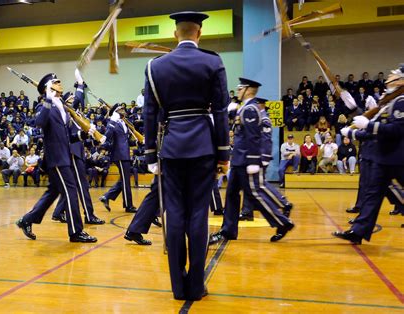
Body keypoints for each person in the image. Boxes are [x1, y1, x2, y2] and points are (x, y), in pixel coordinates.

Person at [143, 11, 229, 301]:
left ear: (175, 34)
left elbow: (149, 114)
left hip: (171, 147)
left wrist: (150, 155)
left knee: (175, 213)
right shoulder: (212, 61)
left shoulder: (156, 67)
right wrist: (223, 153)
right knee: (198, 215)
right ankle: (196, 285)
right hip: (204, 146)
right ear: (199, 33)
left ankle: (178, 287)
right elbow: (220, 111)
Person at [209, 81, 294, 246]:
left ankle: (283, 222)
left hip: (246, 161)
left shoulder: (250, 109)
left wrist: (254, 161)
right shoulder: (245, 108)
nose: (238, 90)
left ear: (248, 90)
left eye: (241, 88)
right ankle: (228, 231)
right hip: (239, 161)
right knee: (232, 196)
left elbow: (253, 137)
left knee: (255, 195)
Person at [16, 72, 96, 243]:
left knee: (53, 192)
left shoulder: (60, 106)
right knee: (71, 191)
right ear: (49, 87)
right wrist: (47, 99)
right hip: (57, 158)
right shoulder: (45, 106)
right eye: (56, 82)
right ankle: (76, 232)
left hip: (64, 155)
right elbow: (39, 122)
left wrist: (83, 135)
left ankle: (26, 220)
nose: (60, 84)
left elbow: (67, 136)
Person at [333, 64, 404, 244]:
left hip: (395, 157)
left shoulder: (401, 101)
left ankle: (358, 230)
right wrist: (355, 132)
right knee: (373, 194)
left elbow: (397, 130)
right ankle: (358, 231)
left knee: (391, 192)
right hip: (383, 156)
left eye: (392, 75)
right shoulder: (389, 100)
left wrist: (367, 126)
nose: (388, 78)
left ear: (401, 80)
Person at [51, 76, 105, 225]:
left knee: (73, 185)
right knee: (82, 185)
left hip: (78, 151)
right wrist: (80, 86)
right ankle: (89, 215)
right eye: (71, 99)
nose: (75, 101)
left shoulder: (77, 114)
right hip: (73, 152)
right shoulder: (66, 113)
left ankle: (57, 213)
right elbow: (76, 101)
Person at [99, 104, 137, 213]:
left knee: (124, 179)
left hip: (125, 153)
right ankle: (128, 205)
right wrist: (112, 121)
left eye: (123, 109)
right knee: (125, 180)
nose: (123, 110)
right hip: (119, 154)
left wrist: (136, 142)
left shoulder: (124, 122)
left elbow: (125, 139)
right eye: (120, 109)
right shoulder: (113, 122)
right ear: (116, 111)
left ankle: (106, 196)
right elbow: (108, 136)